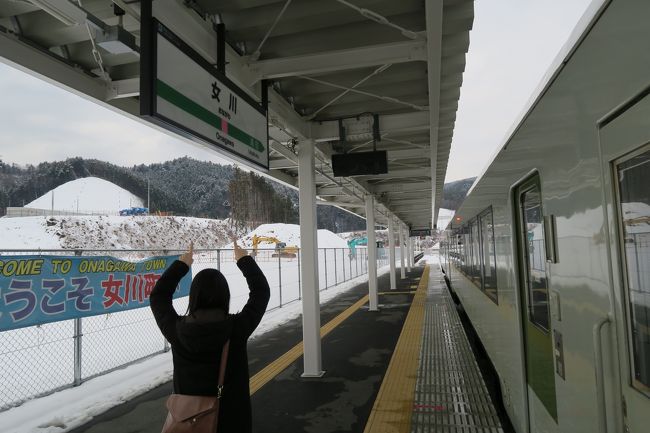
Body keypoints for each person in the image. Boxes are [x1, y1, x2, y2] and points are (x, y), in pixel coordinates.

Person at [150, 241, 270, 433]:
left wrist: (181, 265)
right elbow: (261, 291)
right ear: (225, 296)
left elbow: (158, 296)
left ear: (194, 296)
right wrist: (244, 259)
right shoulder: (237, 328)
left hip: (188, 423)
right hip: (233, 422)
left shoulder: (177, 330)